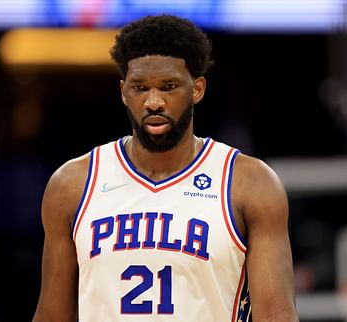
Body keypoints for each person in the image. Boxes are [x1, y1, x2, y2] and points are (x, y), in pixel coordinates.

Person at [32, 14, 298, 322]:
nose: (153, 101)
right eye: (140, 87)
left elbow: (277, 315)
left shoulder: (248, 182)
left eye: (168, 86)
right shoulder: (72, 184)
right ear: (123, 92)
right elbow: (52, 315)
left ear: (197, 89)